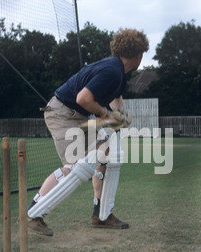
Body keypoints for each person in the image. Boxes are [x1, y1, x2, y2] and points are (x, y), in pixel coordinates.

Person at [26, 28, 149, 236]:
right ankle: (34, 213)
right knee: (74, 166)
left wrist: (120, 114)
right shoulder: (112, 70)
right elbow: (83, 99)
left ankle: (102, 215)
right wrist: (106, 115)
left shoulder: (118, 73)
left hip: (76, 116)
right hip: (62, 114)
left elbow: (115, 99)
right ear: (138, 56)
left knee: (108, 152)